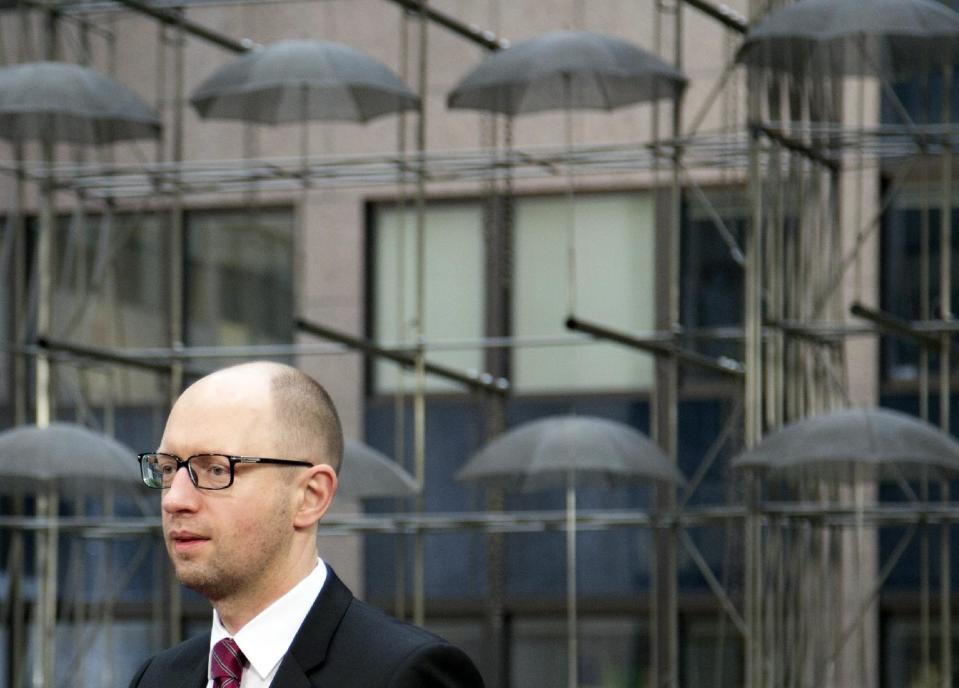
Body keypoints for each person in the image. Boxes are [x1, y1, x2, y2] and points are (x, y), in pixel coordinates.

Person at [127, 361, 484, 688]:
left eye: (216, 469)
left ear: (310, 496)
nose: (175, 499)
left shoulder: (404, 673)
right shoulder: (157, 678)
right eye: (169, 469)